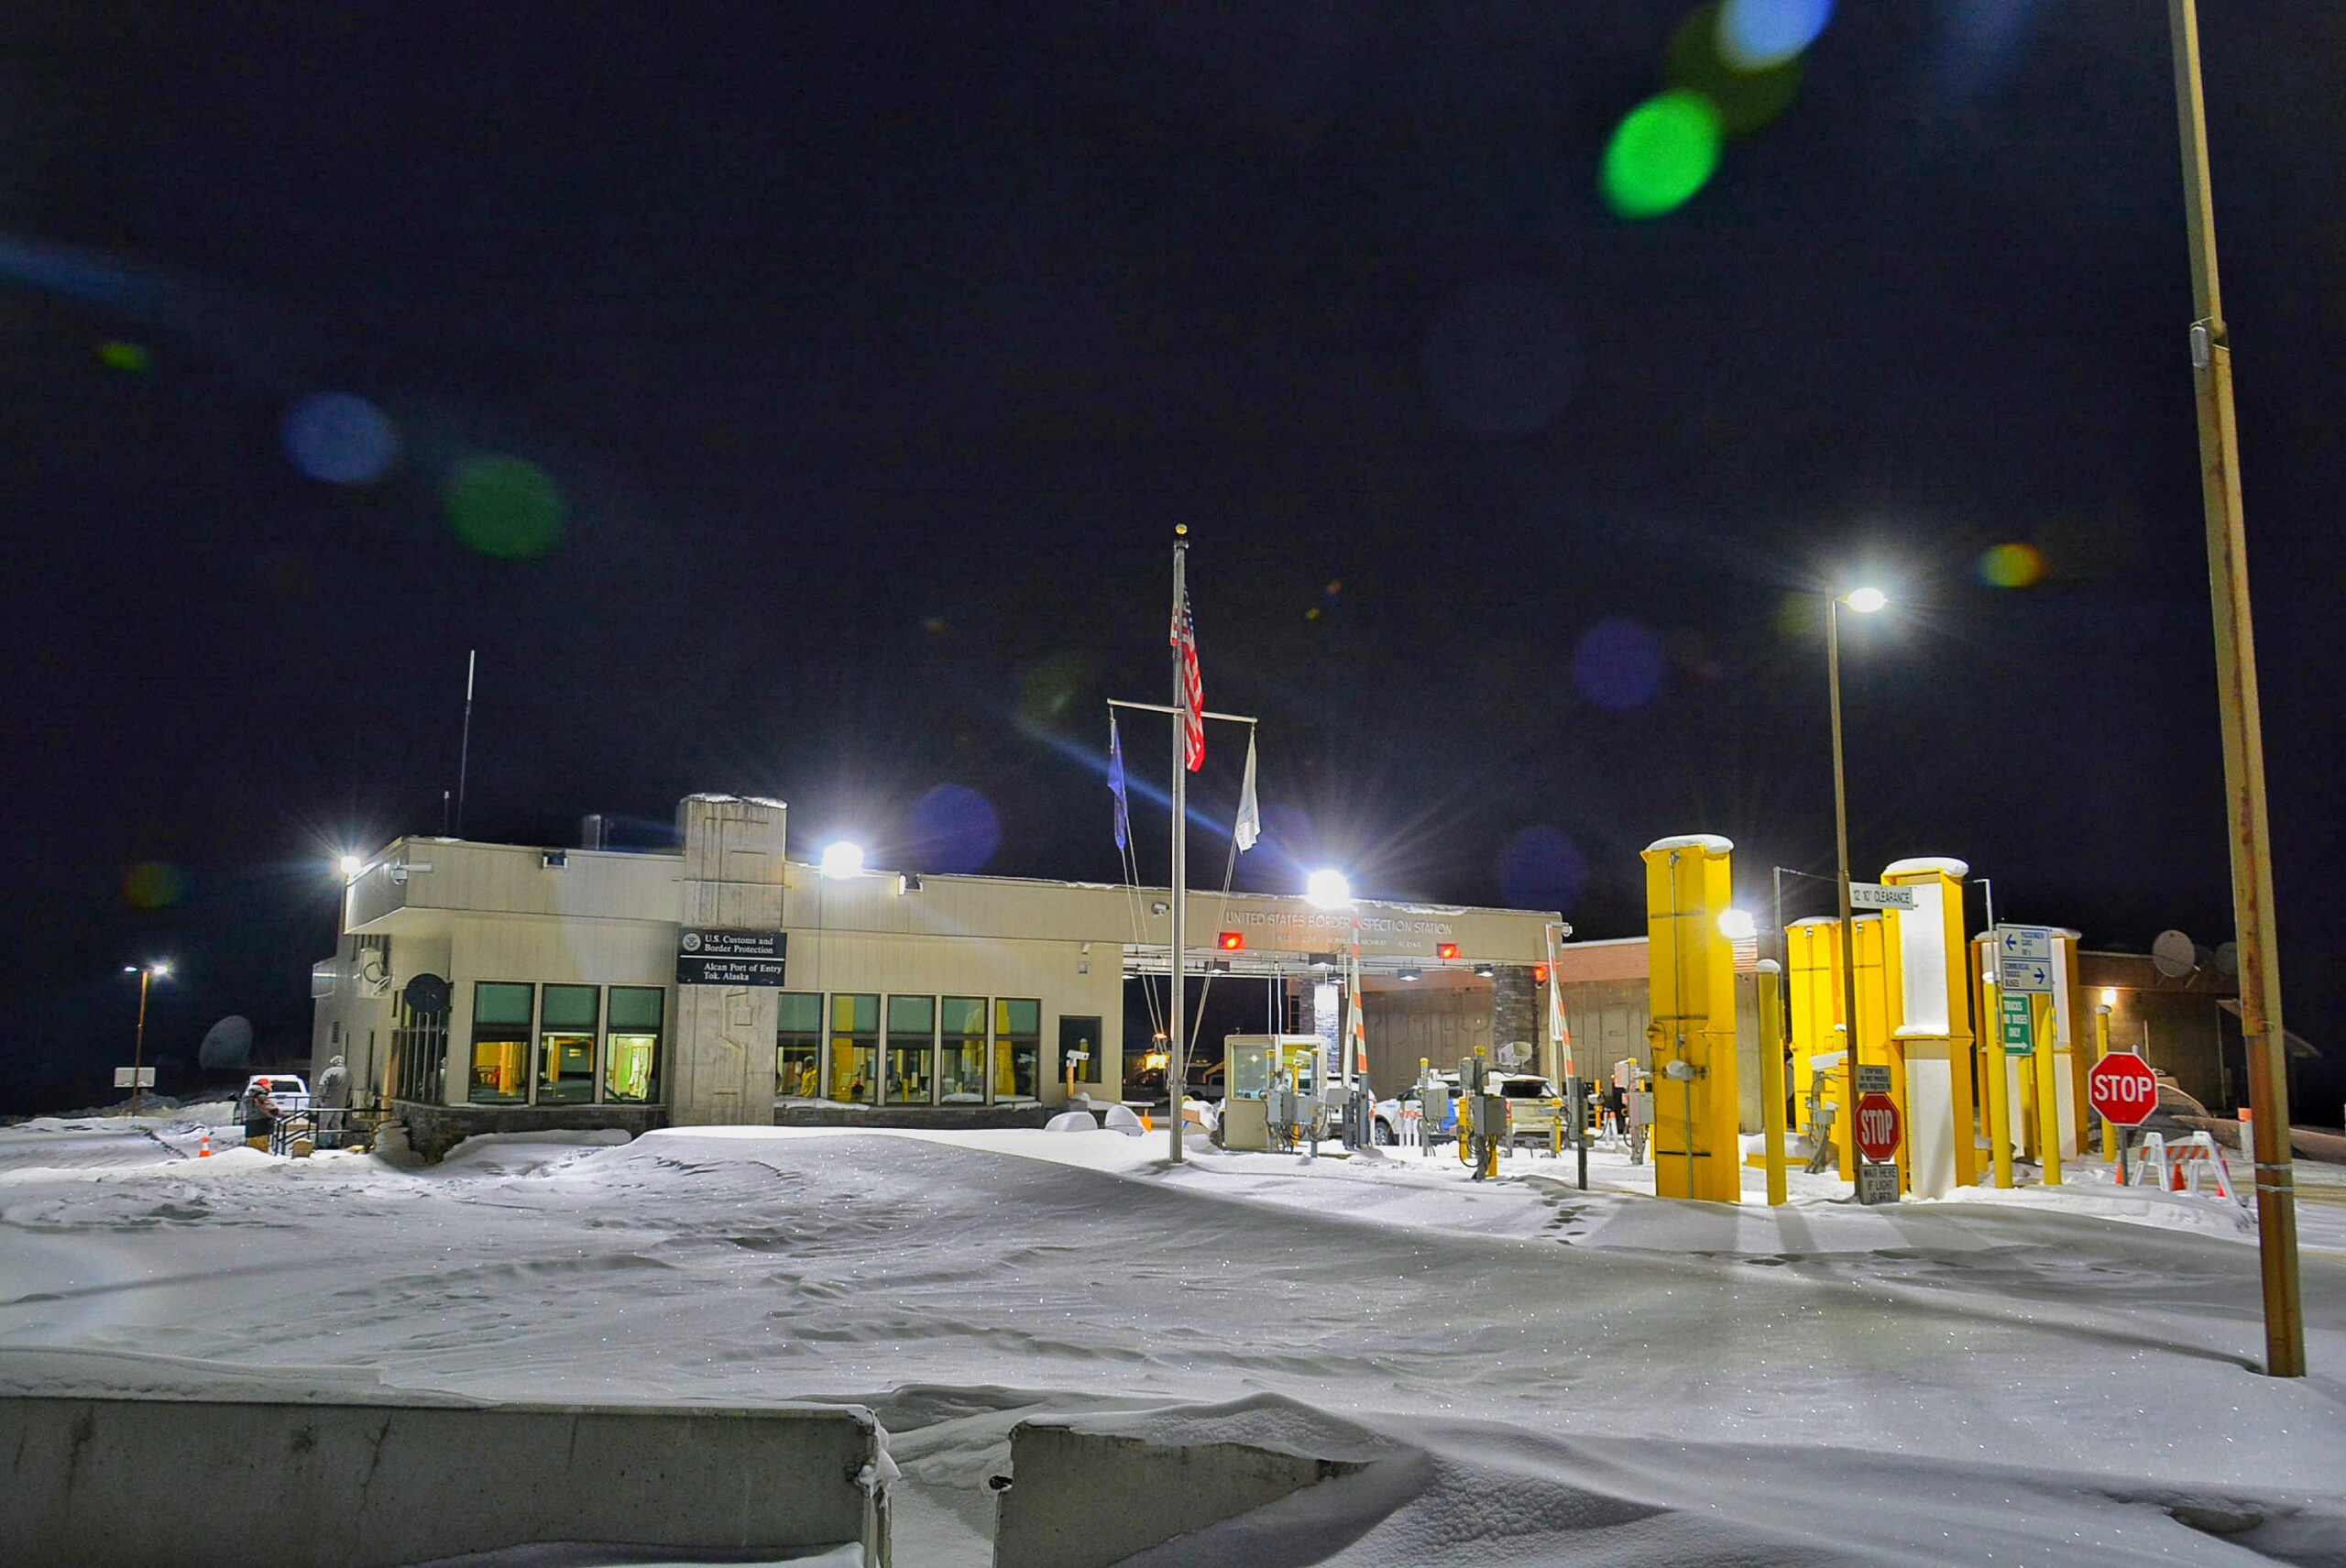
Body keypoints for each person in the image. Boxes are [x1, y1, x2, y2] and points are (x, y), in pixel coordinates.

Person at [315, 1055, 349, 1147]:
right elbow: (350, 1090)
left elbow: (322, 1085)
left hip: (328, 1102)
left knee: (323, 1123)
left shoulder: (329, 1072)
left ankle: (321, 1143)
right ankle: (336, 1142)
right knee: (337, 1123)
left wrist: (320, 1098)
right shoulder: (348, 1073)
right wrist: (347, 1101)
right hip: (341, 1103)